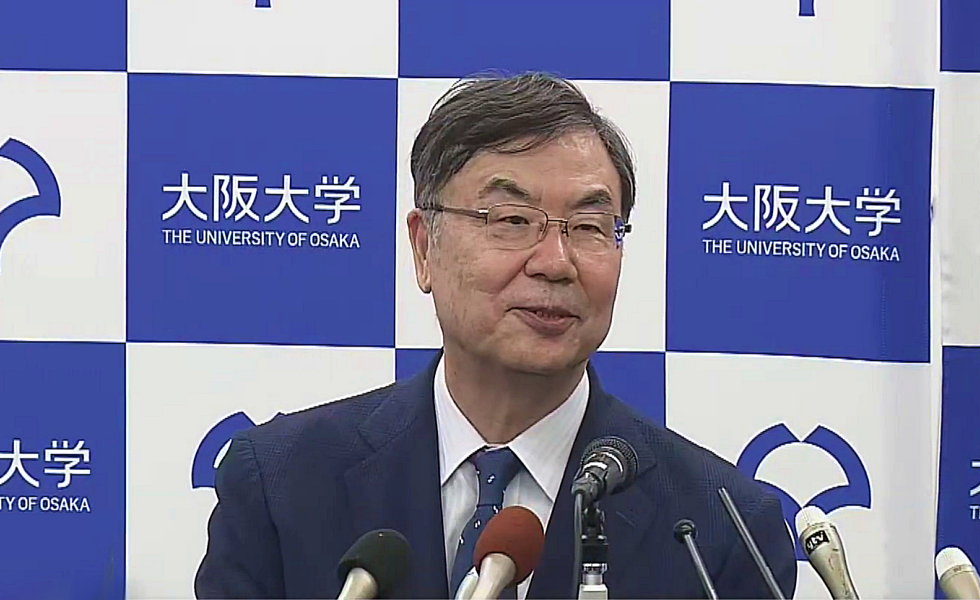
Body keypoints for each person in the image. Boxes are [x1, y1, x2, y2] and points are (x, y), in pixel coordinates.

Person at [195, 71, 798, 600]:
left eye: (590, 226)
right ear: (424, 248)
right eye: (512, 220)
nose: (555, 262)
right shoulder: (280, 485)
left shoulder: (722, 530)